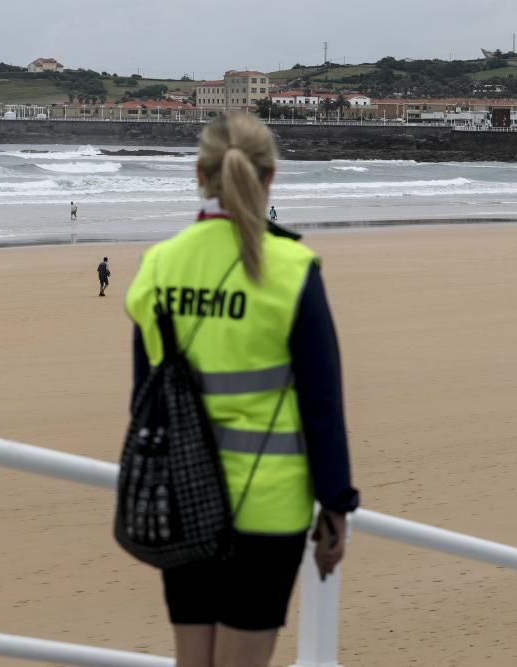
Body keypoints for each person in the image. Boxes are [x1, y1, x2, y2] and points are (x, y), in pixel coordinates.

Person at [124, 114, 359, 667]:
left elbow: (144, 402)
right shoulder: (292, 268)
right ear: (270, 178)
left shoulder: (158, 265)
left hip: (181, 498)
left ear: (198, 174)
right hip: (268, 507)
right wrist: (336, 507)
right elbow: (322, 406)